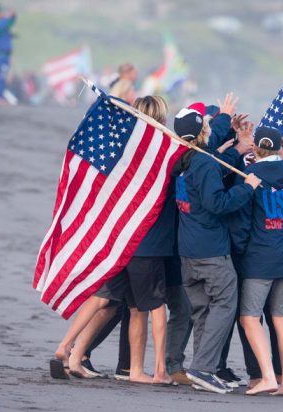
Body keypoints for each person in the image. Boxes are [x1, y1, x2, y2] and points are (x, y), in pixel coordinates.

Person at [51, 96, 176, 387]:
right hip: (147, 245)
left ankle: (69, 346)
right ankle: (147, 370)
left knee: (104, 299)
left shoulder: (126, 149)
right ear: (161, 118)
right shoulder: (162, 152)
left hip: (121, 242)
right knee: (147, 308)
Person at [174, 101, 261, 394]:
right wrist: (247, 187)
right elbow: (218, 203)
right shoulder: (204, 161)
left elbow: (214, 165)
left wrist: (233, 138)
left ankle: (201, 368)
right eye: (208, 126)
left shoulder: (184, 159)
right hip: (209, 251)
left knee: (202, 311)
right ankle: (203, 368)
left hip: (187, 250)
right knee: (225, 303)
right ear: (202, 133)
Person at [232, 126, 283, 397]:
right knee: (281, 319)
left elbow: (242, 223)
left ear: (255, 150)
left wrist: (238, 251)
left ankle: (268, 377)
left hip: (259, 257)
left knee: (249, 317)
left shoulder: (250, 175)